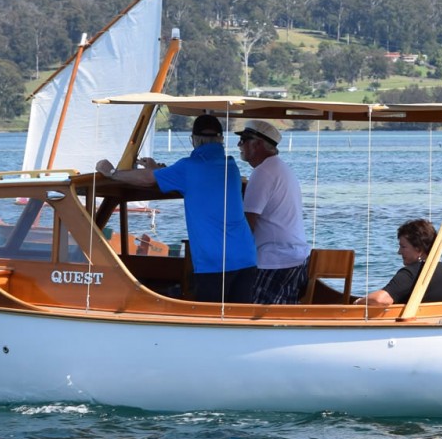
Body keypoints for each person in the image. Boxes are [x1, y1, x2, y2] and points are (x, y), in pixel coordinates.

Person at [95, 114, 257, 303]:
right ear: (221, 139)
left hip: (214, 263)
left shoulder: (187, 168)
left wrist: (112, 173)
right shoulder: (231, 165)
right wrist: (159, 170)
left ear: (194, 140)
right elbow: (198, 176)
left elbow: (148, 179)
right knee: (238, 321)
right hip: (246, 257)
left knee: (210, 324)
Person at [236, 119, 310, 304]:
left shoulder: (263, 173)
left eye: (244, 139)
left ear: (258, 144)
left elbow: (248, 222)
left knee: (251, 312)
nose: (239, 144)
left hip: (275, 261)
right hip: (297, 258)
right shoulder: (281, 169)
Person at [354, 218, 442, 306]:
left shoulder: (410, 274)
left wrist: (358, 302)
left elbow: (380, 299)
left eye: (403, 246)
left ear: (419, 249)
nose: (399, 252)